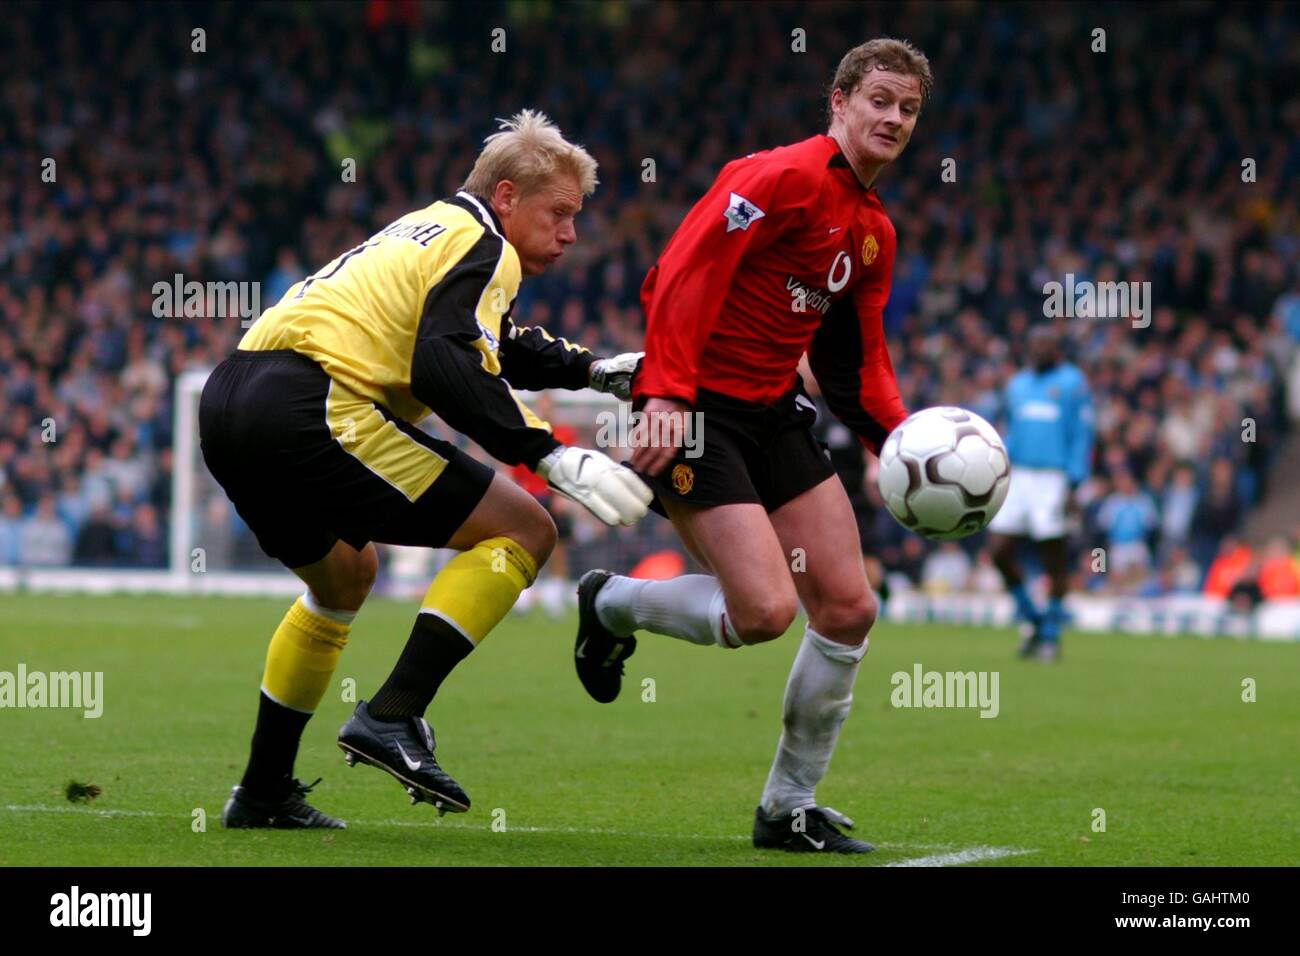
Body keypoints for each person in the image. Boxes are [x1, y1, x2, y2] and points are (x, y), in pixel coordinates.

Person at [200, 111, 651, 829]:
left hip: (230, 401)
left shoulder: (434, 226)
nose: (571, 233)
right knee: (527, 529)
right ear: (507, 196)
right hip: (312, 404)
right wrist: (548, 452)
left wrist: (592, 370)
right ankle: (392, 715)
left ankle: (262, 790)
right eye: (559, 213)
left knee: (345, 577)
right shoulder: (484, 245)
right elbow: (443, 363)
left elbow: (487, 340)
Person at [573, 39, 929, 854]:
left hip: (774, 414)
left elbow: (856, 360)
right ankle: (609, 602)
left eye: (908, 108)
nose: (894, 118)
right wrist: (664, 390)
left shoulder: (874, 233)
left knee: (848, 607)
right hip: (698, 412)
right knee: (765, 613)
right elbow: (681, 272)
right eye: (879, 99)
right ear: (837, 100)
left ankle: (787, 808)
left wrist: (895, 442)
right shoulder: (779, 176)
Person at [987, 326, 1094, 661]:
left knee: (1053, 557)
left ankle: (1049, 634)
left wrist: (1074, 483)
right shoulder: (1017, 384)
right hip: (1018, 474)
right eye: (1033, 344)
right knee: (998, 551)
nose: (1037, 350)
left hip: (1054, 477)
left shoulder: (1072, 382)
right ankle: (1033, 617)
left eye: (1045, 344)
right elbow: (1012, 431)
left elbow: (1082, 434)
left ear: (1056, 349)